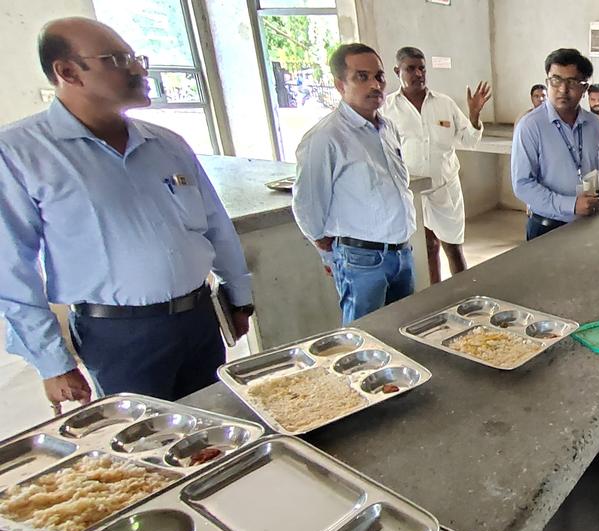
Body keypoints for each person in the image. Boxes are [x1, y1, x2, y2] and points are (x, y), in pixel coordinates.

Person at [0, 18, 254, 409]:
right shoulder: (21, 154)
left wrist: (239, 298)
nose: (138, 69)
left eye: (136, 57)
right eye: (117, 59)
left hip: (198, 318)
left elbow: (215, 225)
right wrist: (52, 361)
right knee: (147, 446)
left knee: (214, 426)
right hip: (119, 334)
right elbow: (11, 270)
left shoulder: (166, 144)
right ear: (67, 72)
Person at [293, 43, 417, 325]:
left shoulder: (387, 129)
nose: (375, 84)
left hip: (401, 254)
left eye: (379, 76)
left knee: (405, 332)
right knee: (366, 339)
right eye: (362, 77)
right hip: (362, 260)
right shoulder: (326, 137)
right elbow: (308, 203)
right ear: (340, 84)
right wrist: (329, 251)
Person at [382, 46, 491, 284]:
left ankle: (463, 294)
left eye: (422, 68)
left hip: (444, 188)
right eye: (410, 69)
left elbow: (469, 140)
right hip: (410, 192)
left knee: (452, 246)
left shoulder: (444, 104)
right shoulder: (387, 109)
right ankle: (435, 294)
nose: (418, 74)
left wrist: (474, 115)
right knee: (424, 248)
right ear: (396, 71)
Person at [511, 48, 599, 240]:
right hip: (547, 228)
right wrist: (571, 205)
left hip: (590, 224)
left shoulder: (593, 124)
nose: (563, 89)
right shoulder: (530, 126)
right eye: (555, 80)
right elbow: (522, 184)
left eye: (572, 82)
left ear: (584, 88)